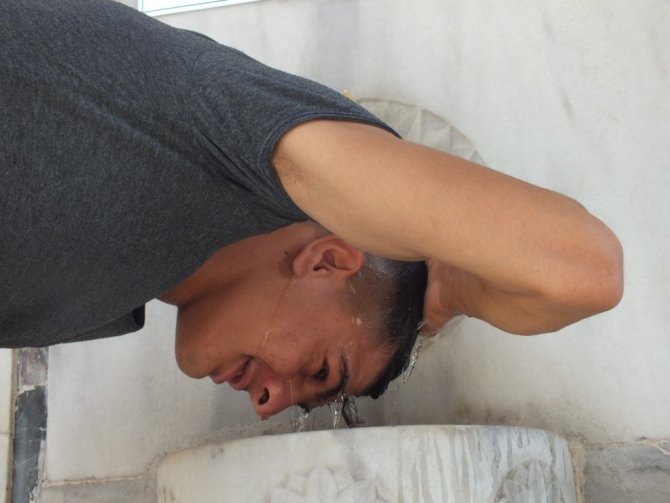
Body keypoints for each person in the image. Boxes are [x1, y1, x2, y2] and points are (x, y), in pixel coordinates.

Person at [0, 0, 623, 419]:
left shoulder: (109, 298)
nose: (267, 402)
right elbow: (584, 271)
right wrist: (446, 288)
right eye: (320, 369)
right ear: (327, 260)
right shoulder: (219, 130)